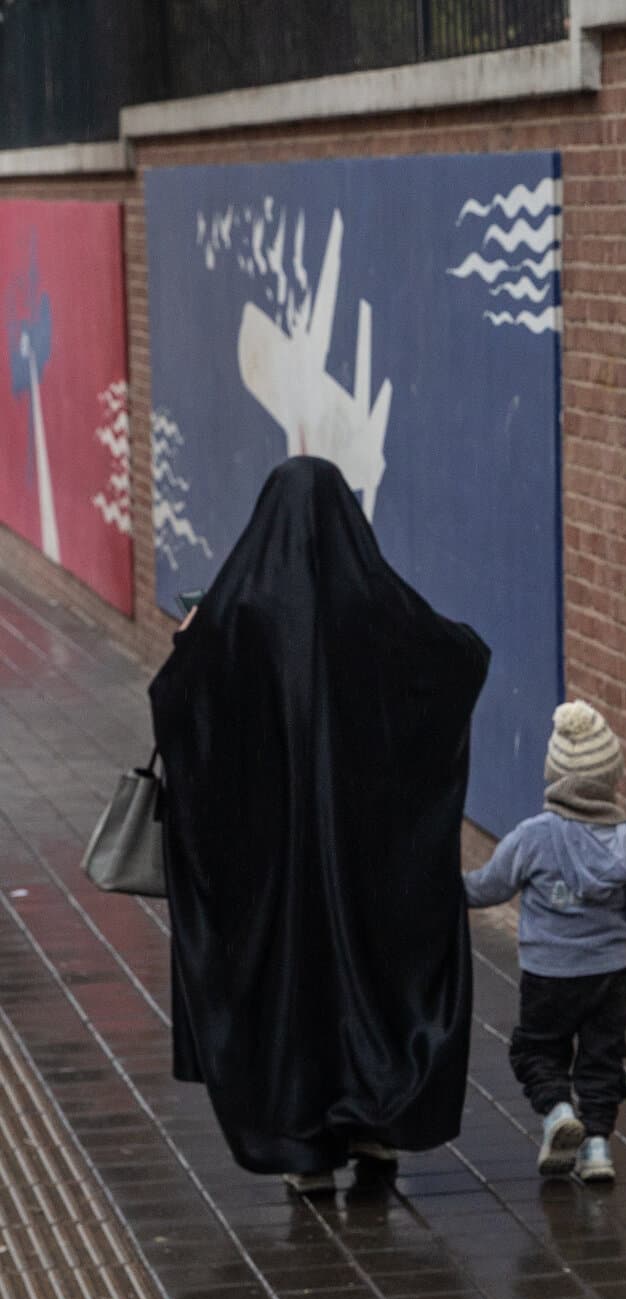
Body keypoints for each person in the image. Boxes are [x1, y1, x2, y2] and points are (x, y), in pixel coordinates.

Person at [150, 457, 491, 1197]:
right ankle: (375, 1127)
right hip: (367, 863)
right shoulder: (374, 606)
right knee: (371, 982)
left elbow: (181, 704)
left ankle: (303, 1150)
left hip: (272, 867)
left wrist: (192, 642)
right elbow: (460, 658)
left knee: (289, 988)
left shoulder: (238, 615)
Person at [464, 700, 626, 1182]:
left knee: (536, 1050)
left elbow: (490, 886)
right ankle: (597, 1147)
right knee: (601, 1060)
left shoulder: (532, 837)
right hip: (608, 977)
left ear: (553, 774)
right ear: (612, 777)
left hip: (547, 974)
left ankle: (558, 1114)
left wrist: (446, 891)